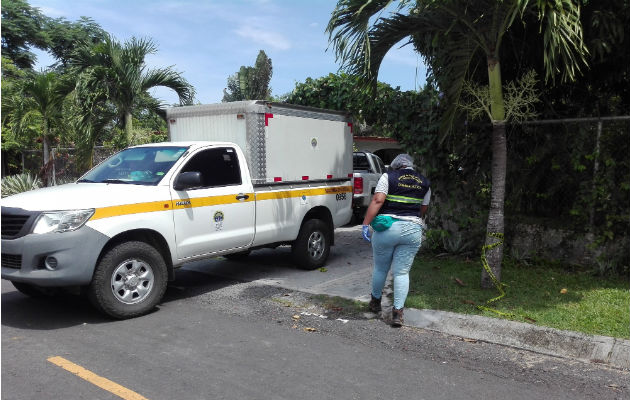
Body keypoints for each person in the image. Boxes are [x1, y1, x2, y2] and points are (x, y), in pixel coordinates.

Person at [361, 154, 431, 327]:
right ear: (410, 165)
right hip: (412, 230)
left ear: (395, 165)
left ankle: (375, 304)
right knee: (402, 273)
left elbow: (378, 200)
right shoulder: (425, 182)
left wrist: (365, 223)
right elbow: (423, 208)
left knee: (380, 269)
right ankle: (397, 314)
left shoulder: (388, 176)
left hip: (387, 229)